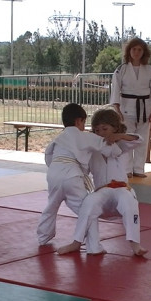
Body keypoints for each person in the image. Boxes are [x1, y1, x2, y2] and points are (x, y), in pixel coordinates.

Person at [57, 108, 147, 256]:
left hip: (121, 188)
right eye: (97, 130)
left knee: (129, 202)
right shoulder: (92, 149)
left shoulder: (121, 145)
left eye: (105, 129)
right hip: (102, 191)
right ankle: (76, 242)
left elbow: (139, 140)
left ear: (115, 128)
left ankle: (135, 244)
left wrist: (119, 136)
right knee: (88, 203)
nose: (101, 133)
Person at [37, 103, 123, 251]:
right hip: (72, 176)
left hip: (54, 174)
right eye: (83, 122)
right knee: (88, 209)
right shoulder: (86, 137)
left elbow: (48, 156)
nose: (84, 126)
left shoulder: (58, 138)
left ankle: (43, 236)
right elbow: (114, 151)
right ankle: (94, 246)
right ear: (78, 121)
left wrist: (57, 169)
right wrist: (114, 143)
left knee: (51, 205)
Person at [110, 38, 151, 178]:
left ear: (144, 52)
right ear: (129, 51)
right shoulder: (121, 69)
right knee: (127, 139)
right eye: (134, 49)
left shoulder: (149, 70)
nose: (137, 52)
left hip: (145, 108)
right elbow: (115, 90)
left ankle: (139, 169)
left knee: (143, 139)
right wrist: (117, 109)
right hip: (126, 107)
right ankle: (127, 169)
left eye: (140, 49)